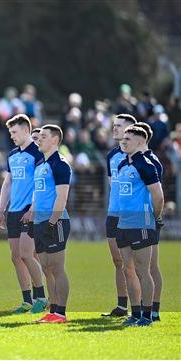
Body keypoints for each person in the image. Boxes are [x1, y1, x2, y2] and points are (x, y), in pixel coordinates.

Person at [0, 115, 48, 314]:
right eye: (10, 133)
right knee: (16, 256)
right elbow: (8, 183)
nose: (12, 136)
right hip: (14, 211)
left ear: (26, 131)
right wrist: (1, 210)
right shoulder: (12, 154)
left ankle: (41, 297)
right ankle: (27, 300)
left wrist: (33, 208)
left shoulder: (37, 153)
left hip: (29, 210)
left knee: (27, 254)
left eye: (15, 132)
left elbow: (40, 183)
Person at [23, 125, 72, 323]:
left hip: (55, 222)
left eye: (43, 136)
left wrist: (52, 221)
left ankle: (61, 312)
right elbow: (38, 195)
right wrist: (32, 216)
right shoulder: (41, 165)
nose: (38, 139)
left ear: (54, 140)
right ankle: (52, 310)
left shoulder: (60, 164)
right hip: (40, 222)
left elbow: (62, 197)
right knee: (46, 268)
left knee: (57, 267)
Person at [117, 126, 164, 326]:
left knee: (143, 270)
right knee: (128, 269)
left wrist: (154, 216)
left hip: (141, 223)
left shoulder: (145, 164)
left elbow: (158, 194)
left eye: (128, 138)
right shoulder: (121, 165)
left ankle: (147, 315)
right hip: (123, 223)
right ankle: (135, 313)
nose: (123, 141)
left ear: (138, 142)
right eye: (123, 138)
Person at [101, 114, 139, 318]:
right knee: (118, 261)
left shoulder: (139, 156)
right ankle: (122, 305)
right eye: (114, 125)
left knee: (135, 264)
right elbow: (111, 184)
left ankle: (140, 307)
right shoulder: (112, 156)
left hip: (133, 216)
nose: (114, 129)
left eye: (119, 126)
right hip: (113, 214)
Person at [131, 122, 164, 322]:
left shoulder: (151, 161)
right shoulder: (132, 160)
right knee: (141, 266)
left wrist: (155, 216)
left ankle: (153, 310)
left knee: (151, 266)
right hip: (136, 219)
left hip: (147, 218)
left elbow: (156, 193)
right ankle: (145, 309)